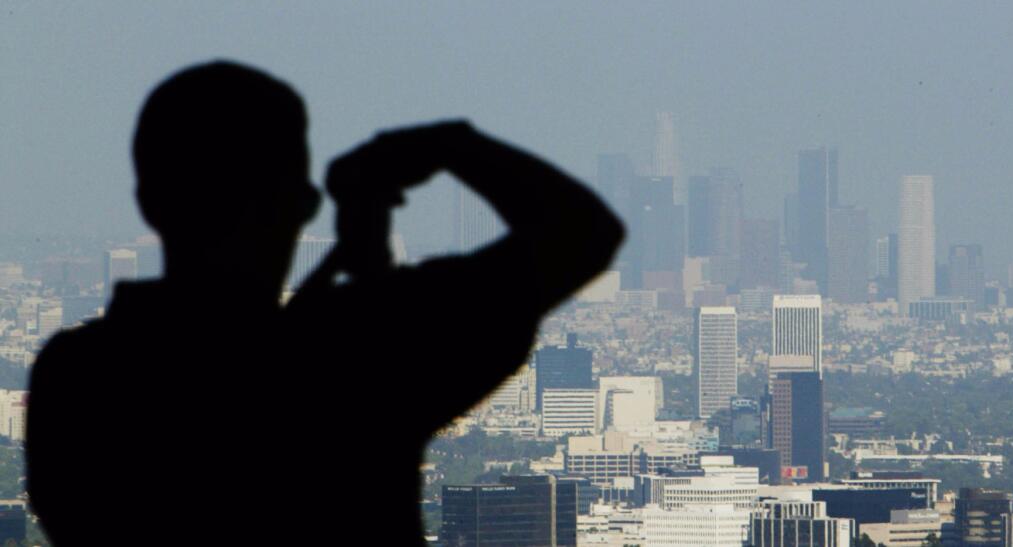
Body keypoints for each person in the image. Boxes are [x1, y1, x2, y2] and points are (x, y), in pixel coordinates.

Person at [25, 60, 624, 545]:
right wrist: (449, 146)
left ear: (150, 201)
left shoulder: (77, 376)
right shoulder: (353, 357)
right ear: (301, 205)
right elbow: (581, 234)